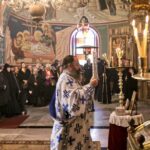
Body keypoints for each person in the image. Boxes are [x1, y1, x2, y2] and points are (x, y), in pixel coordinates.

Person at [50, 55, 98, 150]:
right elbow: (74, 103)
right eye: (77, 64)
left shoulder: (70, 78)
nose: (79, 67)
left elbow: (80, 93)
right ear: (70, 66)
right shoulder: (65, 80)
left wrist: (90, 86)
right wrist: (90, 85)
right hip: (69, 131)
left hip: (76, 129)